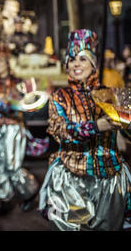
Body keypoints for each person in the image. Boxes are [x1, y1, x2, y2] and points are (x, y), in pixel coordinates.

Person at [39, 29, 131, 231]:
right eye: (72, 60)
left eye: (82, 59)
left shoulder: (109, 94)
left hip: (109, 178)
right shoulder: (60, 97)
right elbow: (61, 131)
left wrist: (125, 124)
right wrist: (97, 126)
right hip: (72, 179)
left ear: (93, 64)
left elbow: (127, 128)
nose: (76, 64)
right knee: (76, 227)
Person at [0, 44, 39, 215]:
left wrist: (26, 103)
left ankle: (29, 192)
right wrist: (15, 104)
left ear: (7, 63)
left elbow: (28, 102)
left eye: (0, 61)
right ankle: (4, 197)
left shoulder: (19, 83)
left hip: (13, 127)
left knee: (13, 166)